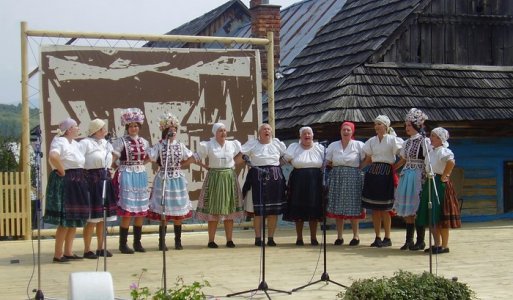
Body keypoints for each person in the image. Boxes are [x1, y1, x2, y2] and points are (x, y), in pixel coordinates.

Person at [147, 112, 196, 250]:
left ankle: (178, 241)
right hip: (164, 179)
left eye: (174, 129)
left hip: (177, 179)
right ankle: (162, 242)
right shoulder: (160, 145)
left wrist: (182, 165)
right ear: (165, 131)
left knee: (178, 211)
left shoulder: (180, 145)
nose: (173, 131)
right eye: (170, 129)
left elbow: (190, 157)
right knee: (165, 210)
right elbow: (150, 156)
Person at [43, 118, 88, 263]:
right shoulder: (59, 141)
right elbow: (53, 156)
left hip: (77, 180)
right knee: (65, 219)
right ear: (69, 129)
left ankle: (68, 251)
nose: (78, 129)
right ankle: (58, 254)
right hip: (67, 180)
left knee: (73, 218)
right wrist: (62, 171)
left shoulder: (75, 144)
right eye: (76, 127)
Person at [195, 123, 245, 248]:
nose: (223, 133)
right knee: (213, 209)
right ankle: (211, 240)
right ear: (215, 133)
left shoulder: (233, 144)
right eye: (220, 131)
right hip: (215, 177)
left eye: (224, 130)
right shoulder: (208, 145)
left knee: (229, 208)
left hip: (228, 176)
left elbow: (243, 153)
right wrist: (204, 166)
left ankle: (229, 240)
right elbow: (196, 157)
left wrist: (234, 163)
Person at [361, 115, 403, 248]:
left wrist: (394, 168)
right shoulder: (371, 141)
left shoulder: (392, 140)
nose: (376, 126)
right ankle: (377, 237)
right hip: (373, 173)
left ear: (386, 126)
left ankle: (387, 237)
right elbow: (368, 158)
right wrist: (359, 168)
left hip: (386, 173)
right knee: (375, 208)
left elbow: (403, 156)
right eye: (375, 124)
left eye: (379, 124)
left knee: (385, 208)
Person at [241, 123, 287, 247]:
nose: (267, 131)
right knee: (259, 210)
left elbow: (286, 157)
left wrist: (276, 167)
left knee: (273, 211)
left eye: (268, 129)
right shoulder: (253, 143)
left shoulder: (277, 143)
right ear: (259, 133)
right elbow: (241, 154)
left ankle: (271, 238)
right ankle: (258, 238)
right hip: (257, 176)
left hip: (275, 176)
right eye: (264, 129)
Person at [416, 127, 460, 254]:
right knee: (431, 215)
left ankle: (444, 245)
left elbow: (451, 162)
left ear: (441, 139)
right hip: (430, 181)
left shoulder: (443, 151)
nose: (431, 138)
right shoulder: (431, 152)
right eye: (431, 136)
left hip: (439, 184)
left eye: (434, 136)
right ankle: (436, 244)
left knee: (440, 214)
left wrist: (445, 175)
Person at [112, 108, 150, 254]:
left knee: (140, 210)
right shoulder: (121, 141)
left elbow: (148, 157)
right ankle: (123, 244)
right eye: (131, 126)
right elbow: (114, 157)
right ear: (127, 127)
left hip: (140, 175)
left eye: (136, 126)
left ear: (139, 127)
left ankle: (137, 243)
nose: (133, 128)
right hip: (127, 174)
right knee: (128, 210)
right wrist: (111, 168)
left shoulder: (144, 142)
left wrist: (140, 164)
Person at [80, 119, 118, 259]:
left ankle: (101, 248)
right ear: (95, 130)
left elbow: (113, 156)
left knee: (103, 218)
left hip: (104, 178)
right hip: (92, 179)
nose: (104, 131)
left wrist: (109, 168)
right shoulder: (85, 143)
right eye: (102, 129)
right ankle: (87, 249)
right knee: (92, 218)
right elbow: (78, 159)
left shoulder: (106, 144)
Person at [393, 108, 429, 251]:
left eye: (409, 125)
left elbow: (428, 159)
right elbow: (403, 158)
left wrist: (425, 176)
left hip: (418, 174)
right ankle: (409, 240)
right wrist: (394, 168)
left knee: (417, 208)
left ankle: (420, 240)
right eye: (406, 126)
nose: (407, 128)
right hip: (407, 174)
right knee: (408, 208)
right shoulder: (406, 143)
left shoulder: (424, 141)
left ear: (416, 126)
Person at [326, 122, 366, 246]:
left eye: (348, 130)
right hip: (337, 176)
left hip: (353, 177)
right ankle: (339, 236)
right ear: (340, 131)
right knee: (338, 205)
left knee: (353, 205)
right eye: (344, 129)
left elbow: (367, 158)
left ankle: (356, 236)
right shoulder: (333, 145)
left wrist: (359, 168)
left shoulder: (359, 145)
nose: (346, 132)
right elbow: (327, 161)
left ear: (352, 131)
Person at [283, 126, 324, 246]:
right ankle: (299, 238)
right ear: (300, 137)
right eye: (304, 134)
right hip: (298, 179)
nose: (307, 136)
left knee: (314, 208)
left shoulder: (320, 148)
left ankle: (313, 238)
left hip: (315, 180)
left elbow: (328, 161)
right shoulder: (294, 147)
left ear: (313, 136)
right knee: (298, 208)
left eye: (309, 134)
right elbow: (285, 159)